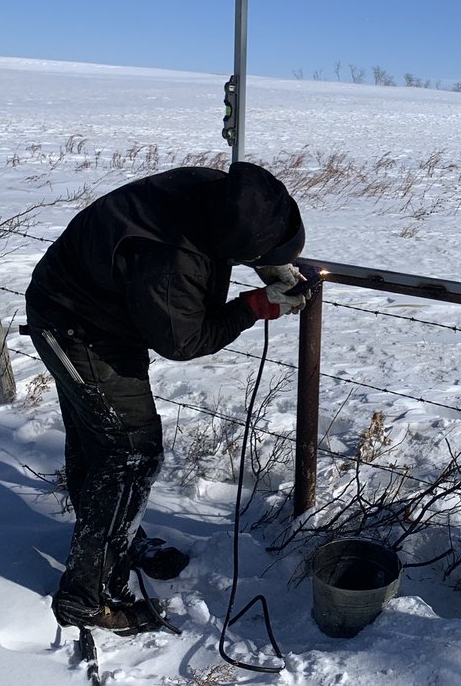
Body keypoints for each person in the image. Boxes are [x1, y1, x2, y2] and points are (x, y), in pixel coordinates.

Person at [25, 161, 309, 635]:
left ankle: (112, 541)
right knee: (129, 452)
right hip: (73, 325)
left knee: (106, 445)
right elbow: (183, 340)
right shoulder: (171, 256)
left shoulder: (215, 193)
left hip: (100, 311)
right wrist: (255, 306)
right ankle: (88, 596)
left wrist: (270, 259)